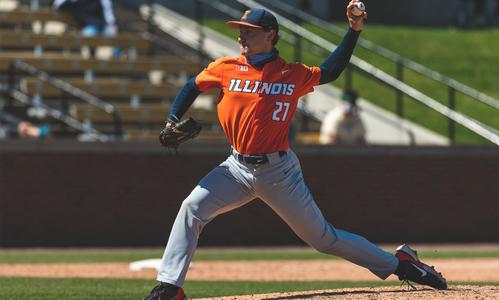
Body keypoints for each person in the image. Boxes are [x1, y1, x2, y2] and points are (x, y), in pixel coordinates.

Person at [144, 2, 447, 299]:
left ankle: (400, 264)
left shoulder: (292, 73)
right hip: (235, 168)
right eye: (240, 31)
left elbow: (331, 70)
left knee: (323, 239)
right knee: (192, 208)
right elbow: (192, 86)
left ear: (270, 34)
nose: (241, 37)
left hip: (278, 173)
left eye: (249, 31)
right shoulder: (226, 68)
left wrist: (353, 30)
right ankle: (171, 287)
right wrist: (172, 119)